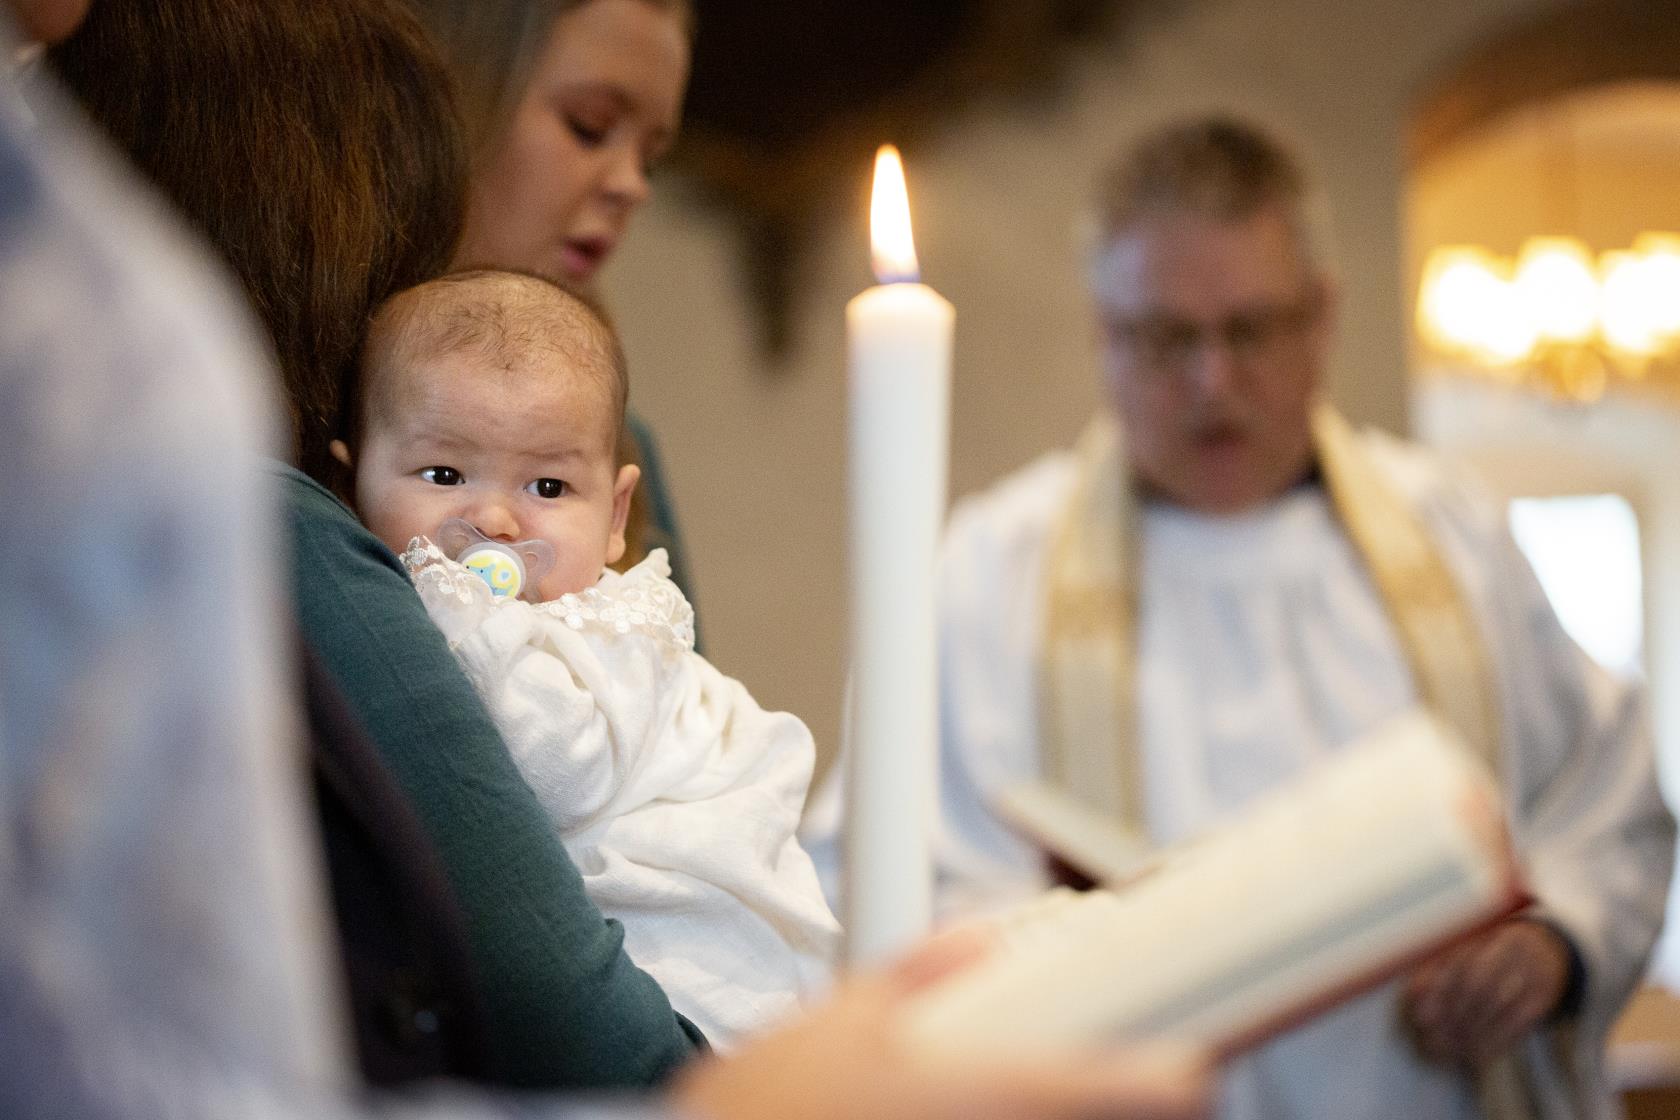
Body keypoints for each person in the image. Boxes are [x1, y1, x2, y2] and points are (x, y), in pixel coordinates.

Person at [2, 4, 1216, 1116]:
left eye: (548, 484)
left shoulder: (542, 495)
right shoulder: (301, 524)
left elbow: (675, 784)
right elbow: (561, 998)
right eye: (588, 123)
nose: (501, 514)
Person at [806, 116, 1676, 1120]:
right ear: (1103, 334)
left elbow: (1613, 813)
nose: (1211, 380)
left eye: (1251, 329)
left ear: (1323, 316)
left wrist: (1552, 945)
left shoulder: (1457, 539)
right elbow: (880, 881)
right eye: (1167, 336)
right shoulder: (992, 569)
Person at [335, 269, 839, 1046]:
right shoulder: (368, 600)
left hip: (706, 983)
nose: (496, 520)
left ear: (616, 516)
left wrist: (464, 620)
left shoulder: (614, 633)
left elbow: (563, 770)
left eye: (547, 484)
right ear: (348, 482)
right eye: (443, 475)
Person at [403, 0, 699, 605]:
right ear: (454, 99)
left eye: (651, 157)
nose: (631, 185)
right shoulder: (310, 409)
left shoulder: (614, 443)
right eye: (589, 126)